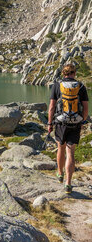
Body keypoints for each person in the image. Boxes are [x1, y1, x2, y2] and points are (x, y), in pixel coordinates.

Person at [48, 63, 89, 194]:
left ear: (63, 73)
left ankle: (60, 174)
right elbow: (86, 107)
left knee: (60, 148)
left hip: (61, 122)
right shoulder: (81, 86)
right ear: (74, 73)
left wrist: (49, 123)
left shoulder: (56, 85)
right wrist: (82, 121)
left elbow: (52, 107)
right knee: (70, 152)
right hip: (75, 123)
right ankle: (68, 183)